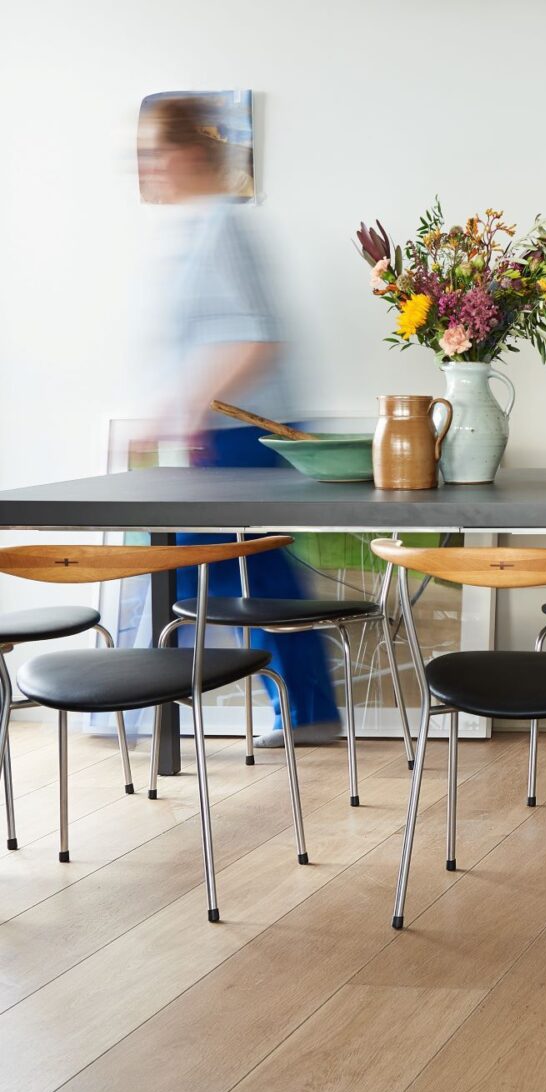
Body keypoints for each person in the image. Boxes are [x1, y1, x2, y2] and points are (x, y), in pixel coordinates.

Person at [139, 96, 340, 747]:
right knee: (235, 573)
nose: (148, 169)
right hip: (218, 435)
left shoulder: (223, 226)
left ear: (187, 153)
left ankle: (298, 711)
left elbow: (257, 340)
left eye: (154, 155)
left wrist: (186, 406)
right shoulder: (196, 229)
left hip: (242, 434)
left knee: (243, 572)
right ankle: (301, 711)